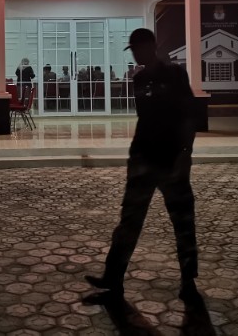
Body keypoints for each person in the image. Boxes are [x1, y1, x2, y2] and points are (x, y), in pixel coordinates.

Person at [85, 28, 201, 305]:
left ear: (152, 46)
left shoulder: (175, 74)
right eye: (133, 50)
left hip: (171, 159)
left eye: (138, 48)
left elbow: (189, 115)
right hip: (143, 159)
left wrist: (186, 152)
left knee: (183, 222)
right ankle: (113, 278)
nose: (135, 54)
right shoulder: (138, 78)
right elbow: (145, 120)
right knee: (129, 221)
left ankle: (188, 281)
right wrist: (134, 158)